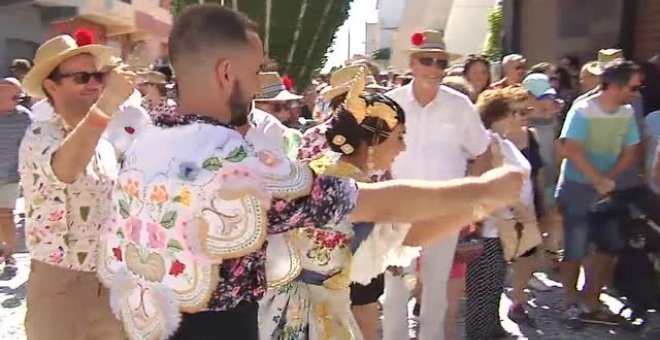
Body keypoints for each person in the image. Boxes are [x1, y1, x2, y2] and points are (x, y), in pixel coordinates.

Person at [97, 5, 525, 340]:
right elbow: (373, 203)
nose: (257, 85)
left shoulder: (145, 143)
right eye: (253, 72)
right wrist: (485, 189)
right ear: (227, 72)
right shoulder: (232, 160)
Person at [18, 31, 135, 340]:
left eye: (98, 75)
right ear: (51, 86)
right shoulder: (39, 136)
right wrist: (107, 104)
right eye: (82, 77)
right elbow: (65, 170)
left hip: (108, 281)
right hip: (61, 285)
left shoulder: (104, 145)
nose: (95, 84)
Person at [383, 29, 492, 340]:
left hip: (443, 210)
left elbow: (482, 152)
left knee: (435, 287)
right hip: (398, 208)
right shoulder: (390, 104)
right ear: (414, 64)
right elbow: (373, 155)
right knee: (395, 287)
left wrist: (470, 199)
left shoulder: (459, 105)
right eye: (427, 60)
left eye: (441, 63)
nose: (434, 69)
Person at [556, 59, 642, 329]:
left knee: (610, 246)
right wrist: (596, 180)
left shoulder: (626, 113)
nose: (637, 92)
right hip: (577, 187)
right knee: (575, 248)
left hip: (606, 187)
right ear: (615, 86)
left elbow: (630, 150)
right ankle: (570, 303)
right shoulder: (582, 110)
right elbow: (571, 148)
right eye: (633, 86)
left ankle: (591, 300)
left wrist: (609, 180)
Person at [465, 88, 539, 340]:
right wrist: (520, 210)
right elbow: (485, 184)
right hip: (490, 225)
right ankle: (481, 334)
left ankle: (492, 329)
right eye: (516, 112)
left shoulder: (502, 141)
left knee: (495, 282)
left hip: (504, 225)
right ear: (497, 115)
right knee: (483, 287)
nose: (522, 117)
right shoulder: (486, 142)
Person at [0, 77, 31, 270]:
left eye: (18, 96)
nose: (17, 99)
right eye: (13, 96)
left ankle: (10, 255)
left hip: (10, 176)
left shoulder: (24, 118)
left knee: (5, 215)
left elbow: (29, 147)